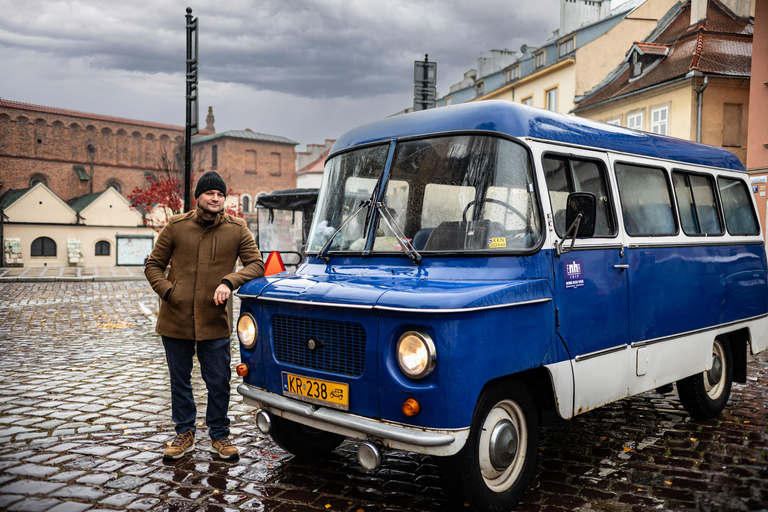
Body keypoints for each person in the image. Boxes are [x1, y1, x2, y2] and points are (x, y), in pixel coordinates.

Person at [145, 171, 264, 460]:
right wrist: (170, 293)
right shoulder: (176, 225)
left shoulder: (237, 228)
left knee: (218, 381)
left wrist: (229, 281)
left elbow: (256, 265)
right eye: (210, 193)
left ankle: (220, 436)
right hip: (176, 319)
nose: (215, 198)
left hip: (215, 320)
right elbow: (153, 265)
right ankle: (184, 433)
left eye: (220, 194)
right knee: (180, 380)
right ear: (198, 197)